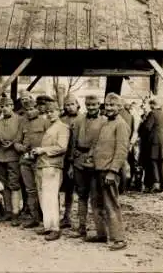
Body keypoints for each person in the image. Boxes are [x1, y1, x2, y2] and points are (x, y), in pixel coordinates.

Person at [85, 93, 128, 251]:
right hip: (97, 169)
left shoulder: (121, 124)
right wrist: (90, 157)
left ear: (119, 107)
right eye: (107, 105)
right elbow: (97, 144)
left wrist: (113, 171)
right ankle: (101, 234)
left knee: (111, 204)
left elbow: (122, 150)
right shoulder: (105, 123)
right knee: (96, 203)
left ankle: (119, 239)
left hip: (109, 171)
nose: (109, 108)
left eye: (112, 105)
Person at [68, 94, 107, 239]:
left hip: (95, 163)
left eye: (94, 105)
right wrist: (72, 164)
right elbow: (73, 143)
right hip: (79, 161)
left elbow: (103, 144)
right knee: (81, 195)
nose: (91, 108)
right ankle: (81, 227)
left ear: (98, 105)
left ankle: (100, 231)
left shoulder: (104, 122)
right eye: (88, 105)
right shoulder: (79, 120)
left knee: (96, 197)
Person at [31, 101, 70, 241]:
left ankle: (55, 228)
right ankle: (48, 225)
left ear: (59, 111)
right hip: (43, 164)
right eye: (47, 112)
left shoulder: (63, 127)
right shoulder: (49, 126)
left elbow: (62, 147)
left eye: (52, 111)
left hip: (53, 165)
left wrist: (42, 150)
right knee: (43, 196)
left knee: (51, 197)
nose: (50, 114)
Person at [15, 100, 51, 228]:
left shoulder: (45, 122)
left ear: (37, 108)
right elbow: (17, 141)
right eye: (27, 110)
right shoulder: (23, 123)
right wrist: (21, 148)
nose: (29, 112)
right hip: (25, 160)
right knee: (30, 190)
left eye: (32, 109)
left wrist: (38, 151)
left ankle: (47, 218)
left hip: (40, 159)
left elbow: (50, 141)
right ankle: (34, 217)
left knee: (43, 189)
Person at [0, 96, 23, 225]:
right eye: (2, 106)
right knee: (3, 184)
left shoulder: (20, 120)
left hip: (13, 156)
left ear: (12, 107)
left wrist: (13, 143)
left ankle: (15, 212)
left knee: (14, 184)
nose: (4, 109)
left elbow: (23, 137)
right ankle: (8, 211)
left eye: (7, 106)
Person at [59, 94, 81, 229]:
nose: (69, 107)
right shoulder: (62, 120)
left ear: (77, 104)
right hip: (62, 158)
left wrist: (73, 162)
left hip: (77, 159)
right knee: (66, 189)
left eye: (72, 104)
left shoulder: (83, 119)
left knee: (79, 190)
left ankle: (80, 218)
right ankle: (66, 216)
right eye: (67, 105)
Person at [141, 98, 163, 192]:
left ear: (152, 105)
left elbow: (147, 127)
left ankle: (156, 184)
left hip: (153, 140)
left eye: (150, 105)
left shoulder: (152, 113)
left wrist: (144, 121)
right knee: (162, 161)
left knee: (154, 161)